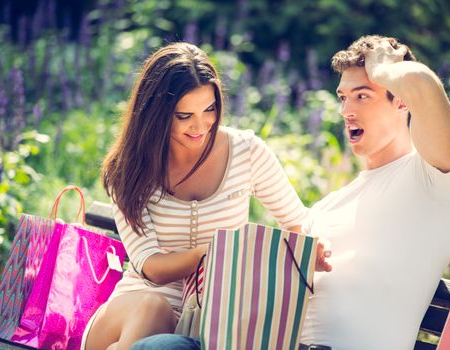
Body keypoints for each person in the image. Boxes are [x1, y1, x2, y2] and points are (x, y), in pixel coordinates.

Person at [81, 42, 331, 350]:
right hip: (134, 312)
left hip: (217, 319)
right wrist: (217, 254)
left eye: (209, 109)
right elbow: (151, 266)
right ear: (156, 115)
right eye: (184, 115)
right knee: (154, 310)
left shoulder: (246, 153)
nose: (201, 126)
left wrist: (312, 247)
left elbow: (296, 221)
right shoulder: (130, 168)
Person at [299, 35, 450, 349]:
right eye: (343, 97)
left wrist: (383, 70)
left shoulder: (433, 177)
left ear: (403, 101)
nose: (346, 110)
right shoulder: (324, 209)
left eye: (362, 96)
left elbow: (421, 83)